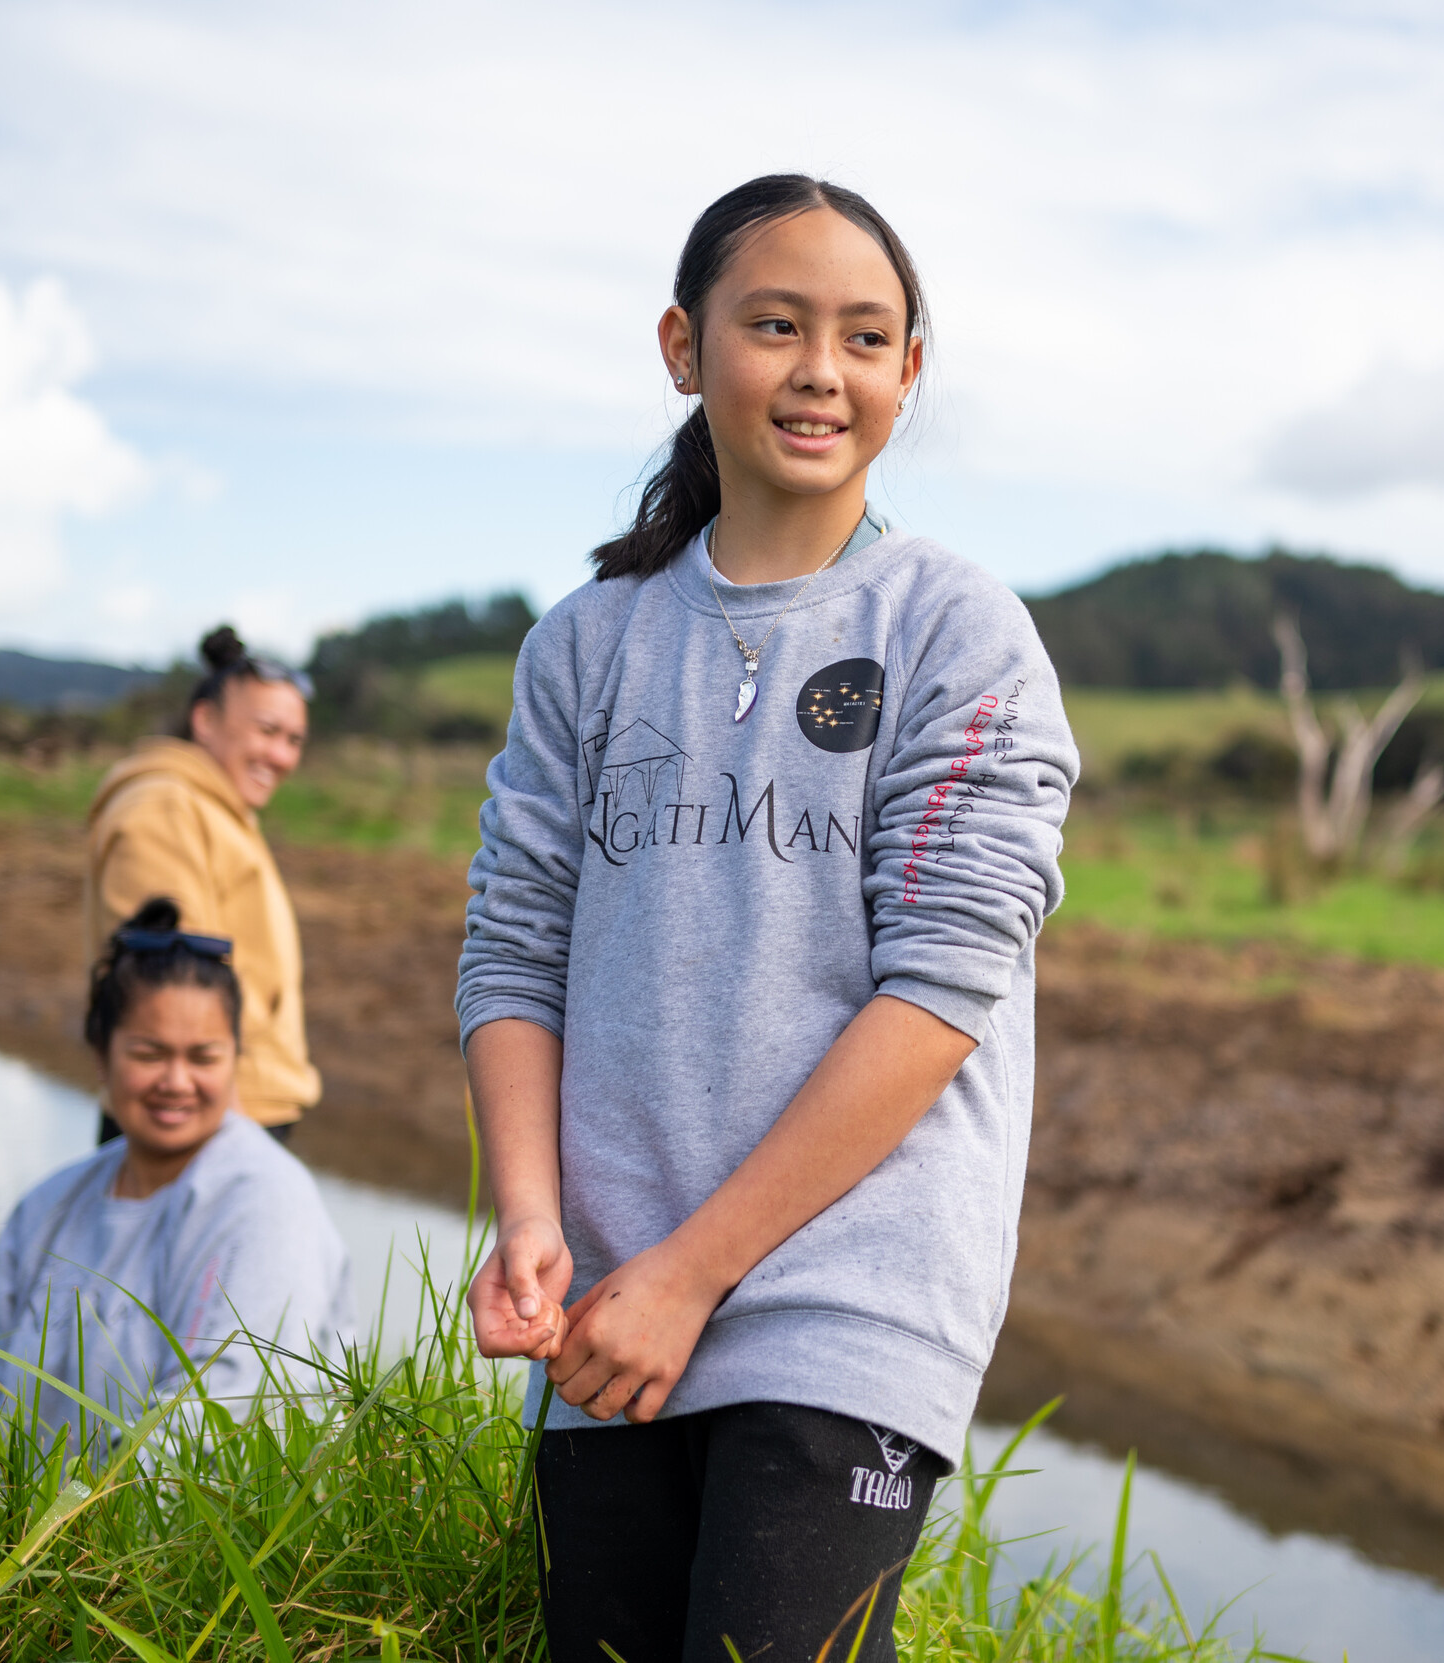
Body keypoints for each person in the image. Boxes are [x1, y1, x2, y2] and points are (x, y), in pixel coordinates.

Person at [457, 175, 1079, 1663]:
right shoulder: (590, 644)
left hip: (844, 1301)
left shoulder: (955, 628)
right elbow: (514, 948)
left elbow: (938, 997)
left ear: (909, 373)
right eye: (777, 325)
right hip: (607, 1311)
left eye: (867, 337)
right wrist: (537, 1217)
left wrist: (696, 1270)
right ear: (685, 347)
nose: (822, 368)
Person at [0, 899, 355, 1449]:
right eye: (149, 1053)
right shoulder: (47, 1207)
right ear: (101, 1056)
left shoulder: (267, 1202)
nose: (176, 1081)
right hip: (32, 1528)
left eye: (204, 1057)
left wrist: (81, 1531)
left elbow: (220, 1418)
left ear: (235, 1059)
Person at [86, 625, 320, 1143]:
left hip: (237, 1104)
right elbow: (175, 987)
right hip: (200, 1115)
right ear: (205, 721)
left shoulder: (218, 810)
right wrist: (227, 1140)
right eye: (266, 730)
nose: (280, 755)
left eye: (293, 740)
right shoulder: (165, 808)